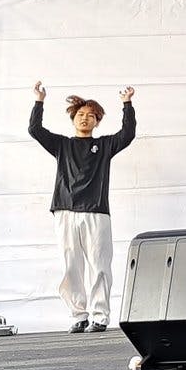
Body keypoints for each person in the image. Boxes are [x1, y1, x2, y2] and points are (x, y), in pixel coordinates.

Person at [29, 82, 138, 333]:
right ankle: (78, 315)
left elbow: (127, 134)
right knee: (71, 265)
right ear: (73, 118)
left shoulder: (105, 146)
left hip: (96, 212)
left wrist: (127, 104)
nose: (85, 118)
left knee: (100, 265)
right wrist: (39, 101)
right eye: (80, 114)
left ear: (97, 121)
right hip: (65, 210)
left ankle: (100, 316)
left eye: (91, 115)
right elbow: (35, 129)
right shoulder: (62, 145)